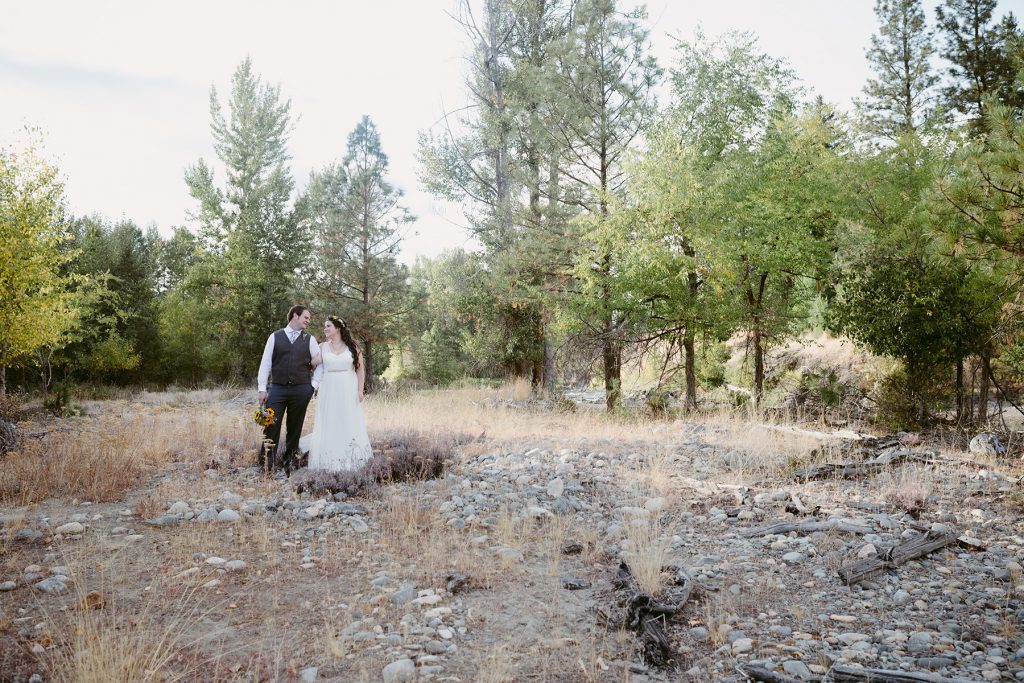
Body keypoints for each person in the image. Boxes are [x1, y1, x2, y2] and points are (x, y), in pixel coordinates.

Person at [257, 305, 323, 474]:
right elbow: (265, 363)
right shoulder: (275, 337)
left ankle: (290, 464)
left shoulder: (310, 339)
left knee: (295, 428)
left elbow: (320, 363)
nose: (308, 321)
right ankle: (266, 465)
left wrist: (313, 386)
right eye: (306, 317)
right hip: (277, 389)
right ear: (295, 315)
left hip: (301, 390)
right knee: (271, 424)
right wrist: (262, 388)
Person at [300, 316, 372, 471]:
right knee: (330, 420)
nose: (325, 329)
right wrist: (309, 363)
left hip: (348, 388)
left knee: (348, 420)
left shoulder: (353, 347)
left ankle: (352, 460)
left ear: (338, 328)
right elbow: (312, 364)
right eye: (324, 326)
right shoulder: (322, 347)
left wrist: (360, 390)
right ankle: (329, 460)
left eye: (328, 326)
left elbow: (360, 370)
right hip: (329, 388)